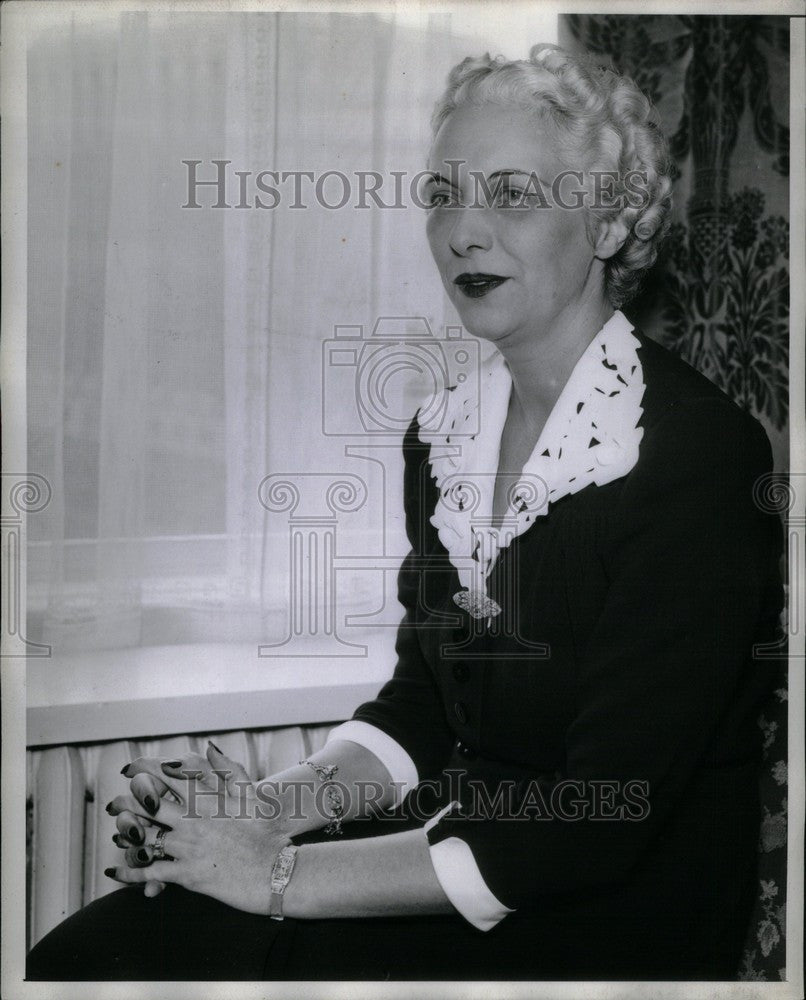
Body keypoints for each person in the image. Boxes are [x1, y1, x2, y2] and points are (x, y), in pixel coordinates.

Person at [27, 43, 783, 982]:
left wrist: (276, 873)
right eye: (443, 195)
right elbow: (422, 707)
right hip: (472, 856)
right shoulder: (445, 431)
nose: (462, 232)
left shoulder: (698, 458)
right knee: (96, 950)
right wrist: (269, 809)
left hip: (608, 915)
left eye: (511, 194)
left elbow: (597, 818)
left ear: (609, 220)